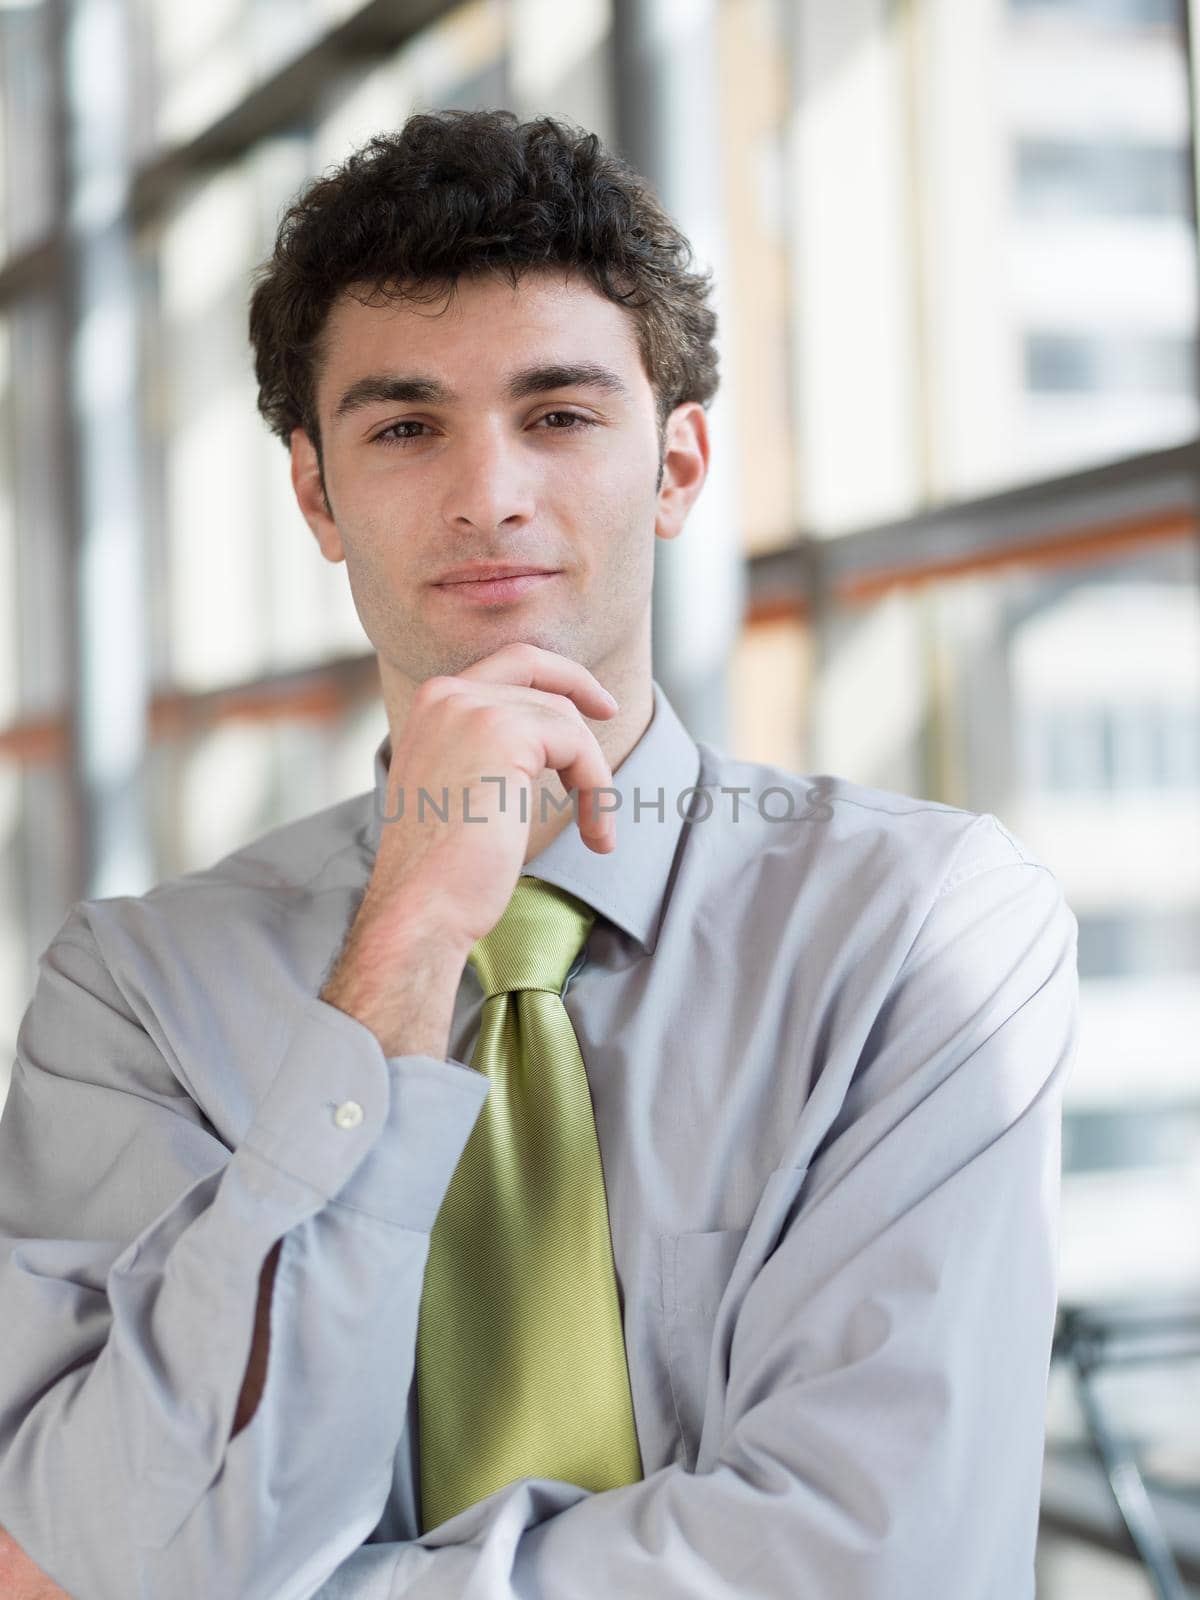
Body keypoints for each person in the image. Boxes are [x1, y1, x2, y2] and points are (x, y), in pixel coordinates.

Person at [0, 109, 1079, 1600]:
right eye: (403, 426)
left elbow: (875, 1566)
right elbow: (121, 1548)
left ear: (678, 466)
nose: (488, 493)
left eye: (560, 416)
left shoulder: (925, 929)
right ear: (315, 493)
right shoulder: (132, 995)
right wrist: (402, 954)